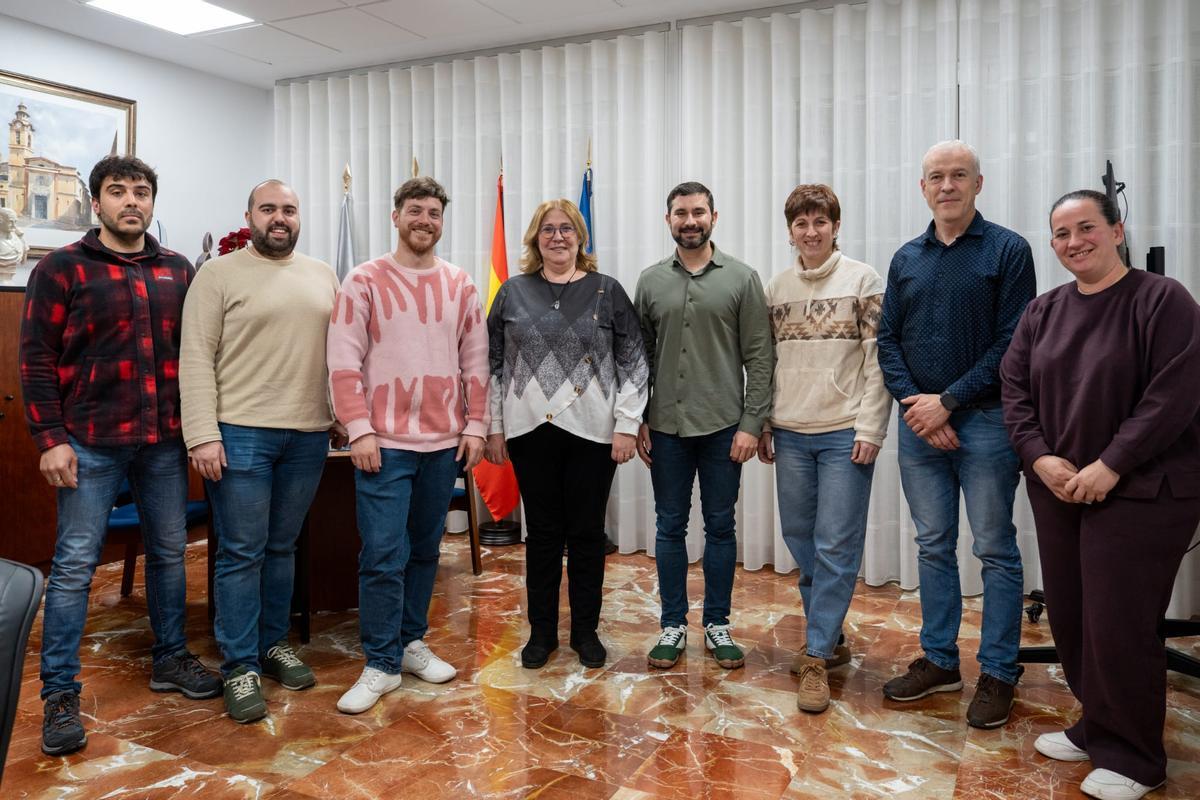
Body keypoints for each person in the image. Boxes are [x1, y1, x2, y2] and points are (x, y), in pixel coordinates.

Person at [1000, 190, 1200, 800]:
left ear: (1117, 230)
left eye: (1086, 227)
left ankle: (1136, 757)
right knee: (1073, 616)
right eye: (1061, 234)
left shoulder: (1162, 300)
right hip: (1059, 487)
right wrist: (1040, 457)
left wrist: (1112, 464)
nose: (1074, 242)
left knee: (1119, 623)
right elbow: (1014, 390)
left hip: (1142, 489)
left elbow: (1173, 396)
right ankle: (1098, 725)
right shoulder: (1043, 311)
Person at [19, 155, 220, 756]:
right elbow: (36, 360)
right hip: (89, 442)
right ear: (96, 202)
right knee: (75, 567)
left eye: (141, 192)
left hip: (162, 442)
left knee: (169, 554)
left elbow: (197, 354)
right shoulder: (61, 268)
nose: (131, 201)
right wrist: (50, 439)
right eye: (117, 191)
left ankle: (171, 658)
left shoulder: (178, 270)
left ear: (152, 202)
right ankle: (59, 693)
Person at [876, 139, 1036, 728]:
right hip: (919, 424)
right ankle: (941, 661)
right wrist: (919, 408)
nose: (947, 185)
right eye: (937, 177)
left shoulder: (1008, 250)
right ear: (923, 188)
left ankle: (999, 670)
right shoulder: (906, 258)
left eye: (959, 175)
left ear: (978, 183)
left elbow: (1013, 342)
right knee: (933, 545)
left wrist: (948, 402)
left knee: (994, 548)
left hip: (987, 423)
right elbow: (887, 341)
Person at [180, 179, 341, 724]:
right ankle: (240, 666)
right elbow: (195, 357)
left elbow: (338, 353)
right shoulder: (218, 274)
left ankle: (273, 645)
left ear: (299, 217)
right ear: (249, 216)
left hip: (309, 433)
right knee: (242, 552)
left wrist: (339, 413)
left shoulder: (323, 274)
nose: (279, 218)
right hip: (240, 432)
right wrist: (202, 434)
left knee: (281, 548)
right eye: (268, 208)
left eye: (289, 209)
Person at [327, 176, 489, 714]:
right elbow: (343, 360)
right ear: (395, 216)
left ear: (442, 222)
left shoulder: (460, 284)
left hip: (443, 444)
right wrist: (358, 429)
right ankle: (380, 662)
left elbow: (476, 360)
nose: (425, 220)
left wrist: (476, 425)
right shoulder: (364, 280)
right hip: (384, 444)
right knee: (381, 554)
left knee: (425, 550)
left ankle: (410, 642)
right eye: (415, 210)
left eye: (434, 213)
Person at [483, 199, 648, 670]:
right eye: (548, 230)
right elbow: (491, 365)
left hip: (593, 434)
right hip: (529, 433)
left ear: (581, 236)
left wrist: (626, 425)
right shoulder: (512, 292)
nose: (557, 237)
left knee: (587, 535)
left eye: (566, 229)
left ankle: (585, 633)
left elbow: (635, 363)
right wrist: (495, 427)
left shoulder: (607, 290)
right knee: (542, 536)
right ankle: (541, 634)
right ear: (535, 239)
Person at [757, 184, 891, 713]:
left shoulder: (863, 280)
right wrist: (765, 423)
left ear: (836, 226)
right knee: (800, 538)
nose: (810, 232)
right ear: (790, 230)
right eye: (801, 223)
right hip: (790, 431)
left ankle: (816, 655)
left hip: (843, 433)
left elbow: (878, 360)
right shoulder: (777, 287)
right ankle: (830, 634)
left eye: (820, 222)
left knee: (836, 543)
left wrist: (870, 429)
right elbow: (766, 362)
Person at [634, 181, 774, 670]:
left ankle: (717, 624)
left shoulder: (742, 278)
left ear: (714, 216)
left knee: (720, 526)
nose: (689, 221)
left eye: (698, 212)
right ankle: (672, 624)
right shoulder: (650, 282)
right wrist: (639, 418)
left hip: (723, 428)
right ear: (668, 220)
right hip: (666, 428)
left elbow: (760, 357)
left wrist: (752, 424)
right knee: (669, 526)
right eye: (681, 213)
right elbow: (639, 359)